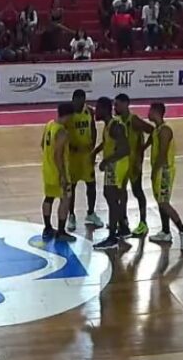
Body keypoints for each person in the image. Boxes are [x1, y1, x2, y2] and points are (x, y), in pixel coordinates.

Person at [144, 103, 183, 248]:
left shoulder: (165, 131)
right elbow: (151, 140)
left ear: (156, 112)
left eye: (150, 111)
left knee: (164, 203)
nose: (148, 113)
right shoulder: (157, 130)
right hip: (159, 170)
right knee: (160, 202)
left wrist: (154, 172)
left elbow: (163, 154)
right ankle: (165, 232)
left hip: (164, 171)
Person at [114, 94, 154, 237]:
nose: (115, 107)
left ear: (126, 104)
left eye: (117, 105)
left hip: (133, 164)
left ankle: (143, 223)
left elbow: (153, 131)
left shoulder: (134, 120)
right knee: (121, 193)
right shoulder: (117, 121)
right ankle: (123, 221)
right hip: (121, 163)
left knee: (137, 192)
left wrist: (142, 150)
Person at [92, 97, 130, 251]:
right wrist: (95, 151)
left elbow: (124, 149)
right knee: (114, 198)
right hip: (115, 164)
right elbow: (108, 143)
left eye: (97, 108)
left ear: (104, 110)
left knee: (111, 198)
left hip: (117, 165)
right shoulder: (109, 126)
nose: (95, 111)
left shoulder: (115, 126)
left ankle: (112, 237)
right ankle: (123, 228)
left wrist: (106, 161)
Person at [65, 90, 103, 231]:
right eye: (78, 101)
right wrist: (69, 146)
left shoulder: (89, 111)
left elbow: (93, 128)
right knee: (72, 187)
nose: (80, 104)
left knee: (91, 185)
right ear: (73, 100)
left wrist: (93, 147)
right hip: (73, 157)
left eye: (82, 101)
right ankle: (71, 215)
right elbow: (63, 132)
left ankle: (91, 213)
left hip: (86, 155)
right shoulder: (68, 113)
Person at [41, 102, 76, 243]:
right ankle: (61, 231)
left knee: (48, 198)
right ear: (69, 115)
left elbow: (42, 144)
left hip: (47, 169)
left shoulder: (49, 124)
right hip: (59, 171)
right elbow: (58, 155)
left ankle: (48, 227)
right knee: (65, 200)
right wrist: (62, 174)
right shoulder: (62, 131)